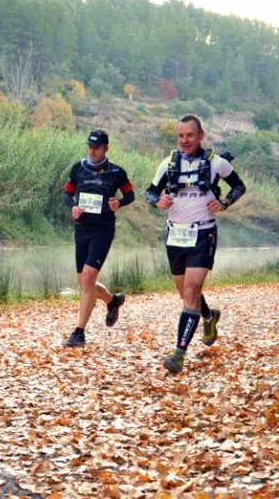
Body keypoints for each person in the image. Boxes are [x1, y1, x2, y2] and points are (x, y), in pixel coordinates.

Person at [144, 114, 246, 373]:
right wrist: (158, 202)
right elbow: (150, 192)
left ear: (201, 135)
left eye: (190, 135)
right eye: (180, 136)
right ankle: (209, 317)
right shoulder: (168, 164)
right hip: (175, 235)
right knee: (185, 293)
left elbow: (239, 186)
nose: (185, 140)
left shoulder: (217, 164)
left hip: (203, 233)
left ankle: (178, 353)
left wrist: (223, 204)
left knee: (190, 292)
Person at [62, 130, 135, 347]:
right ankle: (113, 301)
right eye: (90, 147)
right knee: (84, 282)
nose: (92, 151)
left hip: (103, 230)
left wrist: (119, 203)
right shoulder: (78, 168)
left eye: (97, 147)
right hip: (82, 228)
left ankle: (79, 332)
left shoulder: (116, 172)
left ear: (106, 148)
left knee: (87, 278)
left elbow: (130, 195)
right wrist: (72, 207)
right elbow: (67, 194)